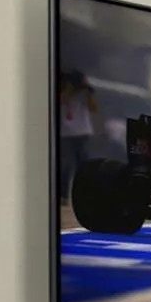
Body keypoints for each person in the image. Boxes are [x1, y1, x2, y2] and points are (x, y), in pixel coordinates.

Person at [56, 70, 99, 205]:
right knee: (65, 165)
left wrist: (88, 91)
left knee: (83, 166)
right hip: (65, 133)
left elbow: (94, 108)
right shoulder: (61, 91)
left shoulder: (84, 93)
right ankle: (63, 196)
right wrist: (69, 90)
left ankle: (84, 194)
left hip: (83, 132)